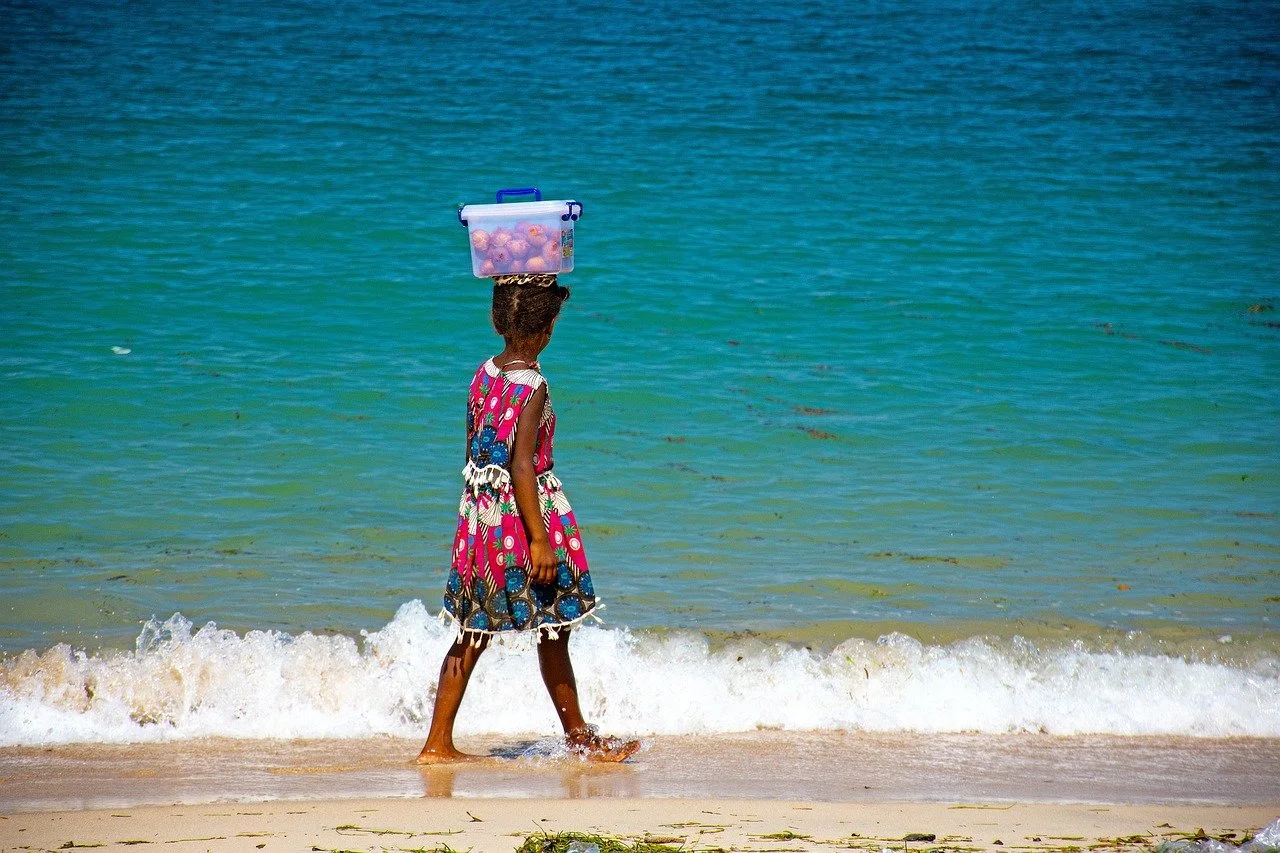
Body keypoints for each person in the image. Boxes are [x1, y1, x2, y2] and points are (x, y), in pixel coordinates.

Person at [416, 273, 639, 764]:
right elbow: (522, 464)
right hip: (525, 516)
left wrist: (477, 520)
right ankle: (577, 740)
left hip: (481, 517)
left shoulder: (484, 372)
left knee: (474, 631)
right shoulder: (533, 385)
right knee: (554, 624)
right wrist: (539, 539)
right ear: (547, 328)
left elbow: (474, 450)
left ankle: (439, 743)